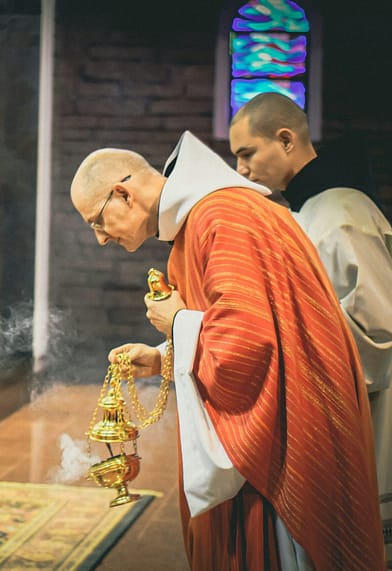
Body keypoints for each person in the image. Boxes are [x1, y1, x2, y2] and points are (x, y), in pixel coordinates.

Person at [69, 130, 384, 570]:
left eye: (97, 221)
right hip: (280, 408)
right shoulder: (201, 219)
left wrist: (177, 324)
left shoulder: (221, 216)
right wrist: (164, 355)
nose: (101, 238)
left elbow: (247, 346)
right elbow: (242, 322)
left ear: (122, 193)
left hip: (287, 431)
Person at [229, 92, 392, 539]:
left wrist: (281, 331)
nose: (241, 169)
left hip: (369, 413)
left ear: (285, 140)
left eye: (247, 153)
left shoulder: (341, 214)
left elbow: (378, 335)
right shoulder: (308, 211)